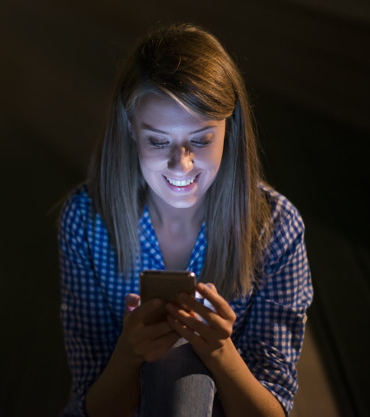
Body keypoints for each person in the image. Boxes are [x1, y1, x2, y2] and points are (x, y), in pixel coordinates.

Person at [57, 23, 313, 417]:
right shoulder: (86, 221)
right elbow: (94, 404)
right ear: (130, 129)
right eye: (158, 141)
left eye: (201, 139)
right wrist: (128, 355)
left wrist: (221, 354)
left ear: (231, 128)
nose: (182, 164)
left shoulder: (276, 228)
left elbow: (273, 407)